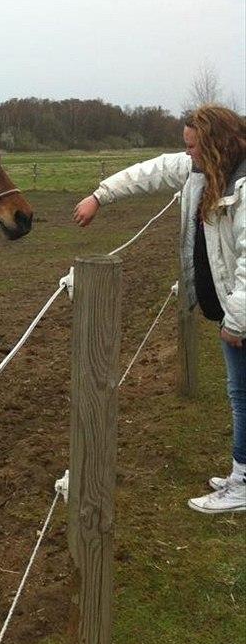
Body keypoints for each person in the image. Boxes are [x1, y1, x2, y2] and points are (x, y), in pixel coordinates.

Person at [73, 104, 246, 514]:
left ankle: (242, 482)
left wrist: (237, 319)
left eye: (192, 147)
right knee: (238, 391)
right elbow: (148, 172)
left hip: (240, 311)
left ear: (215, 145)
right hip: (230, 308)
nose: (187, 154)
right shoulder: (200, 172)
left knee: (241, 394)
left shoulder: (242, 186)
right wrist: (100, 196)